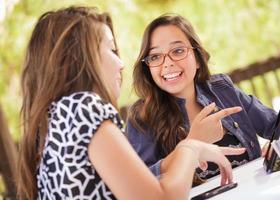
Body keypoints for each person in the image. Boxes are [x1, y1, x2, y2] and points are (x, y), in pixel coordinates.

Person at [17, 6, 246, 200]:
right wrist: (191, 147)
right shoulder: (84, 109)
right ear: (80, 58)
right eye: (111, 49)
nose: (121, 63)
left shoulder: (52, 121)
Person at [126, 14, 280, 181]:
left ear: (197, 58)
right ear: (148, 67)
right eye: (155, 56)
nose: (168, 62)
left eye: (178, 51)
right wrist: (192, 145)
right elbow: (138, 185)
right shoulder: (141, 119)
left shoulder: (222, 89)